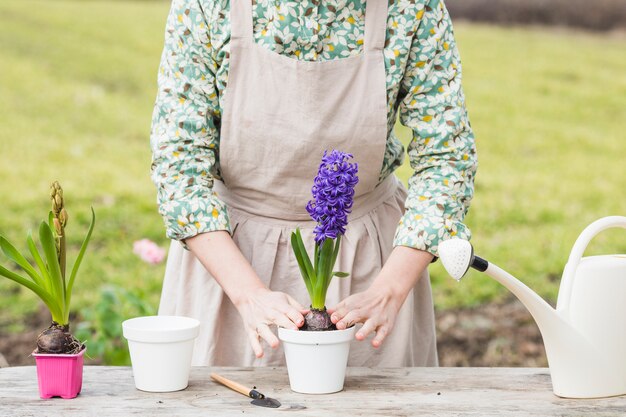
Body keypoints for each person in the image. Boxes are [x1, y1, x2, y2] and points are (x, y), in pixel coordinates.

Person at [150, 0, 477, 367]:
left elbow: (447, 158)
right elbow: (178, 166)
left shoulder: (412, 8)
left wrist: (390, 290)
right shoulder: (207, 6)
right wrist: (248, 294)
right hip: (230, 264)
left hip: (371, 271)